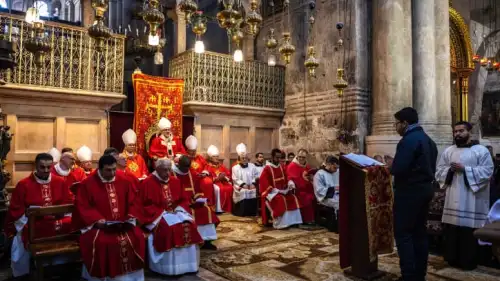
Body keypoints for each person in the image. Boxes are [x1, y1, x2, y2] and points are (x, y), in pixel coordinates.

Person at [73, 155, 145, 280]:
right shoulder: (88, 183)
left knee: (137, 236)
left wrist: (131, 217)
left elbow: (134, 201)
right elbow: (83, 207)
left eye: (113, 169)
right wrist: (97, 220)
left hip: (123, 223)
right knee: (103, 242)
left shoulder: (124, 180)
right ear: (100, 169)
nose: (112, 173)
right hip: (98, 227)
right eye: (108, 170)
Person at [435, 121, 494, 270]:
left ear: (470, 132)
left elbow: (487, 171)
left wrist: (465, 169)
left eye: (461, 131)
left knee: (468, 230)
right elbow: (439, 171)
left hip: (472, 198)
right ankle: (452, 258)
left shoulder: (481, 151)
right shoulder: (449, 151)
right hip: (453, 195)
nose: (457, 134)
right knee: (453, 228)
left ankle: (469, 261)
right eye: (455, 131)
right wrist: (450, 171)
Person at [4, 153, 73, 277]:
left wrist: (62, 211)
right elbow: (16, 210)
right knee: (22, 235)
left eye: (49, 167)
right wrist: (30, 214)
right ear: (36, 166)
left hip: (56, 221)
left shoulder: (60, 182)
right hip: (33, 223)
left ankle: (62, 268)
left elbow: (68, 202)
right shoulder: (24, 184)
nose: (46, 171)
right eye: (42, 167)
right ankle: (23, 274)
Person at [391, 107, 437, 281]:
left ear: (404, 123)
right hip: (425, 189)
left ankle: (409, 276)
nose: (396, 127)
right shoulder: (428, 140)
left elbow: (399, 169)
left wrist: (391, 165)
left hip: (409, 192)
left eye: (396, 123)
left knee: (404, 234)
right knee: (419, 233)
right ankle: (419, 274)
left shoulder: (408, 140)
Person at [138, 159, 203, 275]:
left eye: (169, 170)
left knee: (189, 224)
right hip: (157, 215)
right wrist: (163, 213)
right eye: (165, 170)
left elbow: (183, 200)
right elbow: (144, 205)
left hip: (176, 212)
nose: (168, 173)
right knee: (169, 228)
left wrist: (179, 210)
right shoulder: (147, 183)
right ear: (157, 169)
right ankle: (169, 268)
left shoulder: (175, 181)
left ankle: (188, 265)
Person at [172, 155, 220, 250]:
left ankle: (207, 241)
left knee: (207, 210)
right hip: (179, 204)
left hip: (193, 201)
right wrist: (186, 203)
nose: (187, 170)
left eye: (188, 167)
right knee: (191, 213)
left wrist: (199, 199)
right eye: (185, 167)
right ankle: (192, 240)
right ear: (179, 165)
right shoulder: (172, 174)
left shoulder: (192, 173)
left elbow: (198, 190)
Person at [259, 148, 302, 229]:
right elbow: (264, 183)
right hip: (271, 192)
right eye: (277, 157)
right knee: (281, 200)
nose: (279, 160)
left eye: (280, 157)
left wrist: (289, 183)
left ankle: (292, 221)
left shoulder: (282, 167)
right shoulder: (267, 168)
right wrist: (276, 190)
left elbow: (287, 177)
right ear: (272, 157)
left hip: (282, 191)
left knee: (293, 197)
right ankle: (281, 223)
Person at [185, 135, 216, 207]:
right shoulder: (185, 158)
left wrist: (205, 172)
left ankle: (207, 203)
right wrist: (195, 174)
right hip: (190, 178)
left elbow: (206, 165)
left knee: (208, 181)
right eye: (191, 151)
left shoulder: (199, 157)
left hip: (201, 177)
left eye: (194, 151)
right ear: (187, 150)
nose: (193, 153)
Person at [286, 149, 316, 225]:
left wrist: (311, 177)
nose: (301, 159)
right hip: (297, 190)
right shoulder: (292, 166)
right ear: (297, 156)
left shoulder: (307, 166)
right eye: (300, 157)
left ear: (306, 158)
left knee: (315, 195)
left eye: (303, 157)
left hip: (308, 188)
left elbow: (309, 176)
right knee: (305, 197)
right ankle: (307, 219)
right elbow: (289, 178)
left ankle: (315, 218)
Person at [231, 143, 259, 217]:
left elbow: (256, 175)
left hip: (251, 185)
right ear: (239, 159)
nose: (244, 159)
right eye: (242, 158)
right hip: (240, 186)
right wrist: (244, 185)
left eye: (245, 158)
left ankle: (252, 212)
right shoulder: (235, 168)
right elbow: (235, 179)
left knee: (253, 191)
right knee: (244, 192)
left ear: (248, 158)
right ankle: (241, 212)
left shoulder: (252, 166)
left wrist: (253, 184)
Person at [205, 145, 233, 213]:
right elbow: (207, 177)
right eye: (214, 156)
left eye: (217, 156)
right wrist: (216, 178)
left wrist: (225, 177)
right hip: (214, 183)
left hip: (223, 182)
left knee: (230, 187)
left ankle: (227, 208)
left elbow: (228, 174)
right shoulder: (208, 166)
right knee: (219, 188)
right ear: (211, 158)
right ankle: (218, 209)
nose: (217, 158)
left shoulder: (221, 166)